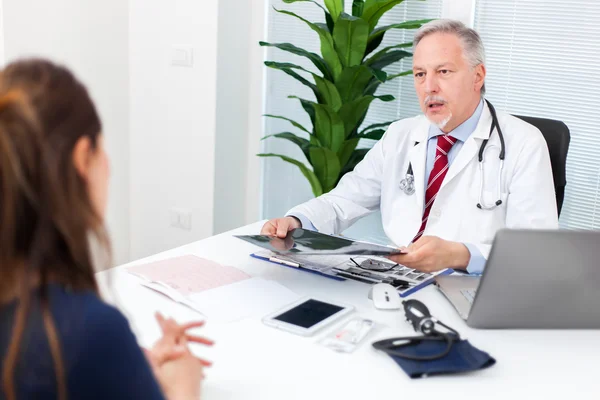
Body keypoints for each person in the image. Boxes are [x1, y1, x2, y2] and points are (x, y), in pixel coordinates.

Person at [261, 19, 558, 274]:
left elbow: (536, 253)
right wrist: (295, 220)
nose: (429, 87)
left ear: (477, 76)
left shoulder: (524, 144)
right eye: (420, 74)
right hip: (397, 277)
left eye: (443, 72)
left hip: (475, 287)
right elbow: (343, 200)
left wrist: (460, 255)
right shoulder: (400, 136)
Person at [0, 59, 210, 400]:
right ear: (84, 158)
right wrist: (184, 383)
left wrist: (126, 368)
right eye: (103, 148)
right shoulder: (88, 331)